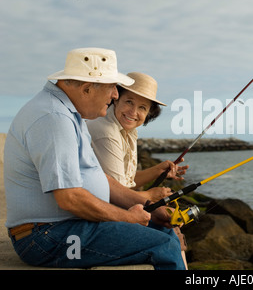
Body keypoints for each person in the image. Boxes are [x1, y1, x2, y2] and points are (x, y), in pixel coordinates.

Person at [3, 47, 185, 270]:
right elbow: (70, 198)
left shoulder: (71, 115)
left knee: (164, 230)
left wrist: (148, 206)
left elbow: (103, 180)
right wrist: (126, 218)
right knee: (163, 245)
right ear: (87, 88)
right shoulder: (54, 118)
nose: (115, 95)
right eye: (112, 88)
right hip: (47, 239)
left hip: (62, 228)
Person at [86, 71, 190, 267]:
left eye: (142, 107)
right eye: (129, 102)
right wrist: (152, 196)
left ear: (150, 112)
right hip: (103, 212)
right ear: (116, 98)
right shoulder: (106, 131)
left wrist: (158, 170)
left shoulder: (128, 130)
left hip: (114, 204)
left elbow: (126, 180)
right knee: (168, 234)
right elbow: (116, 193)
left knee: (170, 228)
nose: (134, 112)